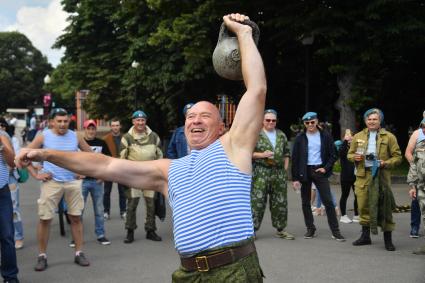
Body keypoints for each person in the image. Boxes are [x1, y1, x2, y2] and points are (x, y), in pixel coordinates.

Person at [15, 13, 266, 282]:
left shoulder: (233, 148)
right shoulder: (169, 170)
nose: (195, 120)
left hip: (234, 270)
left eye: (205, 116)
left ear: (221, 128)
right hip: (188, 274)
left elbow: (256, 90)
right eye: (190, 117)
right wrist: (46, 154)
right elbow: (106, 165)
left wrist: (243, 34)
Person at [26, 108, 93, 271]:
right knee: (45, 219)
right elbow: (26, 154)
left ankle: (79, 253)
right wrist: (35, 174)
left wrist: (83, 171)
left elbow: (91, 155)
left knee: (76, 218)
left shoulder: (75, 136)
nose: (63, 124)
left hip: (72, 182)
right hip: (51, 182)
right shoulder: (44, 135)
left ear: (69, 121)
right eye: (59, 121)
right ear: (52, 122)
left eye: (65, 121)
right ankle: (42, 256)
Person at [348, 108, 402, 251]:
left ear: (380, 121)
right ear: (366, 121)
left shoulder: (389, 137)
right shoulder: (358, 136)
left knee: (384, 206)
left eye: (374, 119)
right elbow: (350, 154)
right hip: (362, 175)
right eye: (369, 119)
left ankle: (388, 240)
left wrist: (385, 163)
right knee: (363, 205)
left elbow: (398, 157)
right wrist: (355, 157)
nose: (371, 121)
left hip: (381, 175)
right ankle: (365, 237)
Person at [291, 112, 345, 241]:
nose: (310, 125)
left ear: (316, 121)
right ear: (304, 124)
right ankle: (310, 228)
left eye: (312, 122)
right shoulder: (300, 138)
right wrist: (295, 179)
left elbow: (333, 155)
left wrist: (325, 168)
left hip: (319, 170)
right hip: (304, 171)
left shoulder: (325, 136)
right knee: (305, 202)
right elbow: (295, 158)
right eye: (307, 123)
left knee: (328, 201)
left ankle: (335, 231)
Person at [120, 110, 163, 243]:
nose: (140, 123)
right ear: (133, 121)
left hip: (150, 176)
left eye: (142, 120)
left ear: (146, 121)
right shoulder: (126, 137)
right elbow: (122, 158)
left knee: (151, 205)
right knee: (132, 204)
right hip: (133, 177)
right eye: (137, 120)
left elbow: (160, 155)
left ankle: (151, 230)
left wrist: (159, 173)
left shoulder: (154, 136)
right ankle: (130, 231)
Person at [251, 109, 294, 239]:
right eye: (268, 120)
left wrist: (285, 170)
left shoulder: (281, 135)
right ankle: (252, 231)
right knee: (257, 202)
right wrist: (262, 155)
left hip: (279, 172)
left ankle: (280, 229)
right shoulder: (256, 134)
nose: (271, 122)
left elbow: (287, 153)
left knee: (280, 202)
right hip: (261, 172)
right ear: (262, 121)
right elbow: (248, 153)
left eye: (273, 120)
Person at [81, 120, 111, 245]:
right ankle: (77, 237)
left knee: (99, 210)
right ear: (85, 130)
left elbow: (108, 161)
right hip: (82, 181)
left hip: (97, 181)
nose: (91, 131)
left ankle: (100, 234)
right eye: (89, 128)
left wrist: (103, 176)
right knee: (78, 211)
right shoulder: (79, 143)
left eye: (93, 129)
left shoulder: (101, 143)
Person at [0, 121, 20, 283]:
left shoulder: (2, 135)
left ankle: (10, 276)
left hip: (2, 192)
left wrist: (2, 145)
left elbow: (12, 163)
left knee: (7, 236)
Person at [1, 121, 25, 249]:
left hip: (10, 178)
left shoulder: (8, 138)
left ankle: (18, 237)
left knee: (14, 209)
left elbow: (13, 160)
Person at [406, 113, 425, 254]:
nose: (424, 130)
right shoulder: (420, 144)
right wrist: (412, 185)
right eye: (423, 127)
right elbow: (413, 164)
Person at [102, 118, 127, 220]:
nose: (115, 127)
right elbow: (103, 155)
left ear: (120, 126)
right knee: (107, 191)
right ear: (111, 127)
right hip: (109, 168)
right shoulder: (106, 139)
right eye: (113, 125)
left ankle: (123, 211)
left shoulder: (125, 138)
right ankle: (106, 211)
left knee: (122, 191)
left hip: (121, 168)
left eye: (117, 125)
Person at [337, 130, 359, 224]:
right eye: (347, 136)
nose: (349, 138)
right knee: (344, 195)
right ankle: (343, 216)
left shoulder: (357, 147)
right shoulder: (343, 147)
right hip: (345, 176)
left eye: (351, 136)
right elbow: (341, 153)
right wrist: (345, 141)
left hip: (356, 176)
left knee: (357, 195)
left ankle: (356, 215)